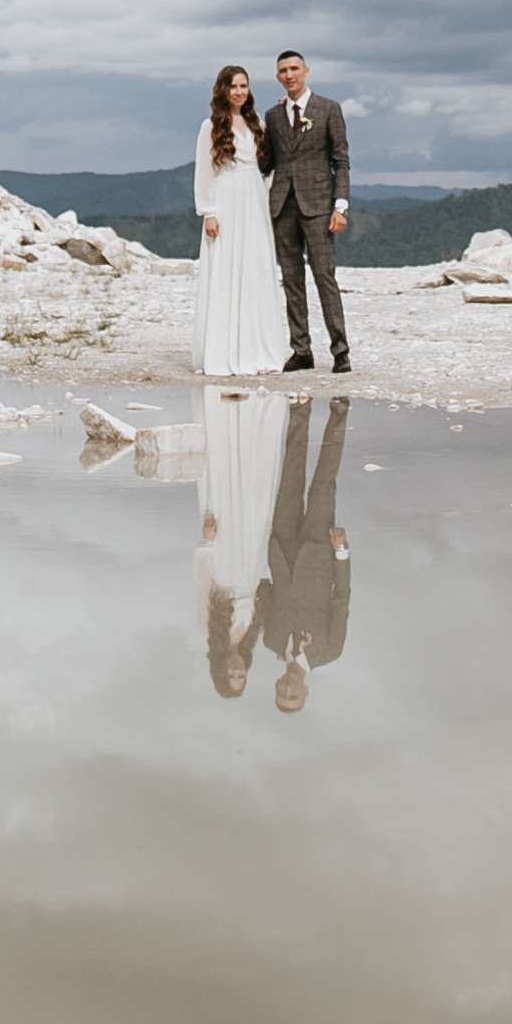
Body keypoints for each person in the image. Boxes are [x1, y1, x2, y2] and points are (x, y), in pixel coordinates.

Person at [192, 64, 291, 377]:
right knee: (227, 268)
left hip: (254, 197)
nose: (239, 92)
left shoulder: (255, 122)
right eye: (233, 86)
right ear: (223, 89)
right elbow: (204, 173)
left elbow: (270, 159)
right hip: (226, 197)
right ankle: (225, 350)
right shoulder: (210, 126)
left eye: (244, 86)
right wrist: (209, 211)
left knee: (256, 267)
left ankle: (258, 346)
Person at [191, 384, 289, 698]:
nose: (237, 670)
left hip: (225, 562)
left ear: (219, 669)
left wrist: (206, 545)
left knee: (227, 492)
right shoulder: (250, 636)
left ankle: (227, 420)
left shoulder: (209, 632)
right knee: (254, 497)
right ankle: (255, 421)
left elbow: (201, 587)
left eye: (231, 674)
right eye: (240, 676)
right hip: (249, 563)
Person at [259, 394, 351, 711]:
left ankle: (300, 407)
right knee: (323, 483)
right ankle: (340, 409)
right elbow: (341, 600)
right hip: (319, 557)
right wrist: (341, 552)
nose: (287, 689)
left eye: (281, 694)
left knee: (290, 478)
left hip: (281, 549)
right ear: (305, 692)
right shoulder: (329, 651)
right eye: (293, 696)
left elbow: (264, 591)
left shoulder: (270, 640)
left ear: (275, 687)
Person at [262, 51, 351, 374]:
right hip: (282, 206)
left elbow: (340, 161)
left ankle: (340, 351)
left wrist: (340, 206)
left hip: (319, 206)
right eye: (283, 70)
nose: (289, 75)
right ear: (278, 77)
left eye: (294, 69)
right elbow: (266, 161)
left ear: (306, 72)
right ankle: (302, 350)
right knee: (292, 281)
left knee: (325, 277)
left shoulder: (329, 109)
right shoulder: (273, 116)